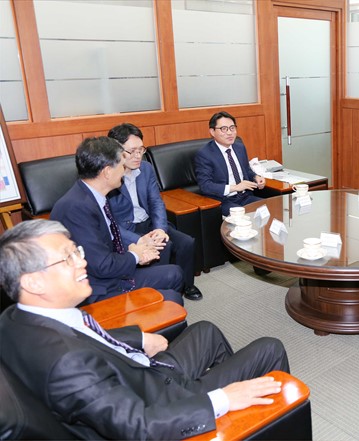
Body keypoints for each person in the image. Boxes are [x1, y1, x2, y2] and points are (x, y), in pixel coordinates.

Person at [0, 219, 290, 439]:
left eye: (77, 251)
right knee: (270, 348)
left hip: (141, 374)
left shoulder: (14, 317)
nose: (82, 261)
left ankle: (243, 416)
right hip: (159, 405)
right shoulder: (68, 363)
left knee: (206, 330)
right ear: (33, 282)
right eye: (68, 258)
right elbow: (138, 426)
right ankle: (244, 419)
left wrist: (137, 338)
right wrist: (223, 399)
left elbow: (86, 338)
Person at [51, 136, 185, 305]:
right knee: (172, 298)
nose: (124, 171)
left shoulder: (94, 195)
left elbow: (109, 237)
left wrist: (138, 245)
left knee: (175, 274)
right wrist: (135, 255)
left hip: (110, 272)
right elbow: (102, 266)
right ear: (107, 172)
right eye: (122, 166)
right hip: (98, 287)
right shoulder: (76, 209)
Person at [107, 123, 203, 301]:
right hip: (126, 230)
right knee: (163, 247)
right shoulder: (108, 175)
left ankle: (186, 284)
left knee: (186, 242)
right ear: (116, 150)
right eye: (132, 151)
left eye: (141, 150)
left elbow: (156, 201)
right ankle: (160, 295)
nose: (138, 156)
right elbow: (108, 222)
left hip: (149, 223)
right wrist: (138, 239)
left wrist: (160, 228)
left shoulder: (146, 168)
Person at [195, 111, 266, 215]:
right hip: (223, 200)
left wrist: (256, 177)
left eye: (232, 128)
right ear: (212, 131)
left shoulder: (239, 147)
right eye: (224, 129)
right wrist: (235, 187)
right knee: (242, 216)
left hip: (245, 197)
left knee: (268, 208)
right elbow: (205, 185)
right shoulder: (205, 154)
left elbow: (246, 170)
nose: (229, 133)